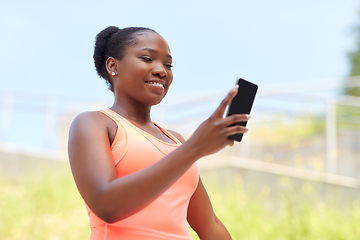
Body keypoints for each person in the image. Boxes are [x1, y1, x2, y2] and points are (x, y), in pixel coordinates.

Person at [68, 26, 250, 240]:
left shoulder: (176, 141)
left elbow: (210, 226)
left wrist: (191, 149)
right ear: (113, 65)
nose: (161, 71)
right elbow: (106, 205)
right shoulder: (94, 123)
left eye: (168, 64)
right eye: (147, 58)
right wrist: (194, 149)